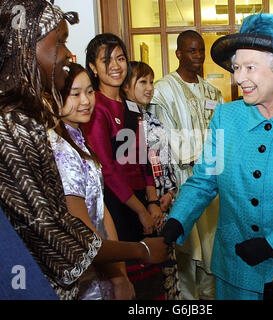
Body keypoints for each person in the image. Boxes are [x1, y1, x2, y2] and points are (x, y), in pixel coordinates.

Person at [161, 13, 273, 300]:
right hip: (235, 270)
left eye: (249, 67)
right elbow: (205, 180)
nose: (238, 77)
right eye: (236, 67)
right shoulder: (225, 116)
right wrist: (176, 220)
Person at [0, 0, 168, 300]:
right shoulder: (12, 124)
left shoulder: (29, 120)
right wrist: (140, 250)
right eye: (60, 41)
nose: (67, 52)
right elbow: (56, 238)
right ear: (26, 47)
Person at [83, 34, 165, 300]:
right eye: (106, 60)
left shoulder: (130, 104)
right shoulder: (95, 106)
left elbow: (142, 156)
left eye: (120, 58)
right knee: (128, 284)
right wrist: (141, 209)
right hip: (116, 205)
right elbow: (106, 168)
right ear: (93, 68)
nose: (116, 65)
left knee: (152, 285)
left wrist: (152, 202)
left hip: (141, 202)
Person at [48, 62, 137, 300]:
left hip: (101, 261)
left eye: (89, 92)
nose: (86, 101)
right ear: (53, 98)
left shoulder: (78, 139)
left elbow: (100, 206)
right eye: (75, 94)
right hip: (84, 270)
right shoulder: (60, 149)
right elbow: (81, 233)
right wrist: (141, 253)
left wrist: (120, 274)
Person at [150, 30, 225, 300]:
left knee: (211, 249)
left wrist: (214, 153)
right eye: (192, 51)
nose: (198, 56)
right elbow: (162, 138)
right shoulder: (162, 90)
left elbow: (223, 136)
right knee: (186, 250)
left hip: (213, 182)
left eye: (201, 51)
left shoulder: (213, 91)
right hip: (182, 181)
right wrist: (208, 150)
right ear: (178, 53)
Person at [123, 61, 181, 300]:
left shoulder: (152, 119)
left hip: (163, 206)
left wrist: (170, 193)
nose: (149, 88)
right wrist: (152, 202)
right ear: (126, 86)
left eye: (151, 82)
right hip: (143, 210)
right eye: (142, 82)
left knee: (167, 274)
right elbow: (128, 171)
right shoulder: (124, 121)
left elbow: (165, 164)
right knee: (148, 279)